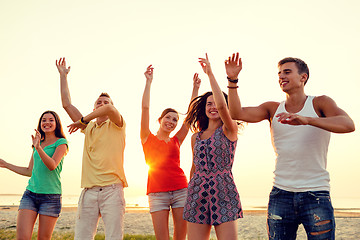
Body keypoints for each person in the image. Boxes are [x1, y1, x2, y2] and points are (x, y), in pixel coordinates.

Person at [225, 52, 355, 240]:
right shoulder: (272, 108)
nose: (281, 77)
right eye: (279, 74)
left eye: (287, 72)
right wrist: (233, 80)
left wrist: (307, 120)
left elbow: (348, 125)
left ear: (303, 78)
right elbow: (236, 112)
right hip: (281, 194)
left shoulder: (320, 103)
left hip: (316, 194)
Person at [56, 58, 127, 240]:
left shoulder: (118, 125)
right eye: (98, 103)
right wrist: (63, 76)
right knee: (82, 237)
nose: (102, 105)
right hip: (89, 191)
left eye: (105, 102)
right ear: (93, 108)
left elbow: (110, 109)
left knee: (114, 237)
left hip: (112, 190)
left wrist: (82, 120)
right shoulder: (89, 128)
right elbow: (67, 105)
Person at [183, 54, 243, 240]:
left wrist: (210, 74)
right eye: (209, 104)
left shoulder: (229, 129)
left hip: (223, 190)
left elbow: (224, 109)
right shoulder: (196, 137)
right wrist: (191, 190)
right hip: (197, 192)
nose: (213, 107)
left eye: (216, 103)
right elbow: (194, 167)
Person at [141, 65, 201, 240]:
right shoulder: (147, 137)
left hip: (181, 190)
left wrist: (195, 89)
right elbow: (145, 108)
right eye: (168, 117)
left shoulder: (177, 140)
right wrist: (148, 82)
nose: (172, 121)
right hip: (157, 193)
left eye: (175, 119)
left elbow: (190, 116)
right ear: (160, 120)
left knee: (180, 237)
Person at [0, 110, 68, 240]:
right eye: (44, 120)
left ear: (57, 123)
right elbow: (29, 171)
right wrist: (6, 164)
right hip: (30, 195)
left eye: (51, 120)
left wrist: (38, 148)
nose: (47, 122)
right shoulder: (38, 144)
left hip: (51, 197)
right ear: (40, 123)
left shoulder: (61, 143)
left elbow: (52, 165)